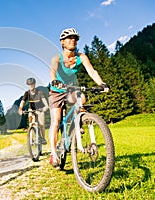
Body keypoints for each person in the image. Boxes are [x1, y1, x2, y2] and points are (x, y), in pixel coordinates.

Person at [48, 28, 109, 167]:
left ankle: (79, 122)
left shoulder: (81, 57)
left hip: (72, 89)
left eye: (75, 38)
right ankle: (53, 154)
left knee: (82, 98)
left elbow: (92, 71)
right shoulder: (57, 58)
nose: (73, 40)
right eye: (69, 38)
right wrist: (54, 81)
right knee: (56, 121)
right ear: (62, 42)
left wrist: (102, 84)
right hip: (57, 91)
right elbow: (52, 71)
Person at [18, 77, 49, 145]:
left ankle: (43, 138)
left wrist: (46, 107)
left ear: (34, 84)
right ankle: (31, 137)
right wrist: (20, 109)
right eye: (29, 85)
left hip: (40, 109)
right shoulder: (27, 93)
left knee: (41, 124)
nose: (31, 86)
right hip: (31, 109)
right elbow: (22, 102)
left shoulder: (39, 92)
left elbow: (45, 102)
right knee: (31, 123)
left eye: (32, 84)